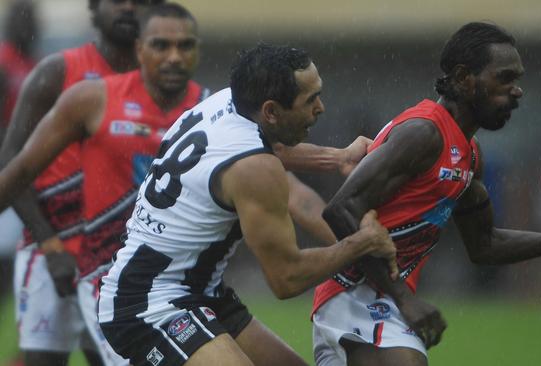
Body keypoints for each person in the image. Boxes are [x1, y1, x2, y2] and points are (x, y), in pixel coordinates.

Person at [311, 22, 541, 366]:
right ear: (464, 78)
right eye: (505, 78)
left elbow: (485, 245)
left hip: (381, 299)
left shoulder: (469, 154)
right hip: (353, 294)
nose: (517, 91)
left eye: (517, 79)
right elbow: (340, 209)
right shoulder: (423, 133)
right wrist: (405, 299)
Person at [96, 43, 397, 366]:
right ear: (270, 111)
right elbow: (287, 278)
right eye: (310, 100)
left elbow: (269, 147)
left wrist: (336, 157)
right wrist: (359, 244)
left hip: (198, 289)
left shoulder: (228, 101)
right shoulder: (254, 169)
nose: (321, 108)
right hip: (147, 304)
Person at [0, 1, 165, 364]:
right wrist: (50, 243)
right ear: (93, 8)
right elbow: (12, 161)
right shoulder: (56, 72)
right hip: (52, 250)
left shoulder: (162, 82)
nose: (127, 7)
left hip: (119, 259)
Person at [0, 0, 38, 300]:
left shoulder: (35, 63)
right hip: (8, 164)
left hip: (22, 168)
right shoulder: (4, 60)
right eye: (19, 19)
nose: (26, 26)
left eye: (30, 20)